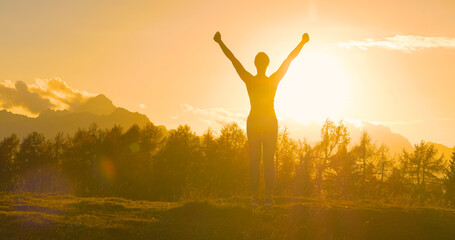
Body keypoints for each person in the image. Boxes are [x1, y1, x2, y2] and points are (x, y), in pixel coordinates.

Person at [214, 31, 309, 206]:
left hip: (255, 121)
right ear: (267, 64)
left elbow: (233, 60)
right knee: (269, 161)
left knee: (254, 160)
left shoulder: (250, 80)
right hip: (270, 121)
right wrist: (302, 43)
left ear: (255, 64)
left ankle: (254, 198)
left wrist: (220, 42)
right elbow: (289, 60)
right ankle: (268, 198)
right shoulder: (273, 80)